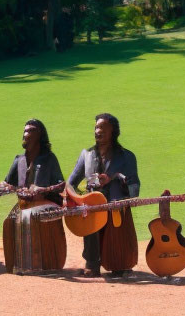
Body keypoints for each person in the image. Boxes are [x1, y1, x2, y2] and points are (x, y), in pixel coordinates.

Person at [67, 113, 140, 277]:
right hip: (93, 208)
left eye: (102, 128)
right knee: (91, 225)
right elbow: (70, 183)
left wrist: (114, 178)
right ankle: (92, 263)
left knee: (116, 238)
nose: (97, 131)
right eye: (96, 127)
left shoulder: (127, 157)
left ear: (113, 131)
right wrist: (80, 199)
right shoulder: (86, 154)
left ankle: (119, 264)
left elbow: (135, 186)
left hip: (116, 207)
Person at [0, 119, 64, 201]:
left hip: (46, 206)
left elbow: (62, 186)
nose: (25, 134)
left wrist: (45, 190)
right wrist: (3, 186)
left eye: (29, 131)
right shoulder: (19, 160)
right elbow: (7, 183)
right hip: (24, 207)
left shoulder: (49, 158)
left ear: (38, 135)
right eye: (25, 131)